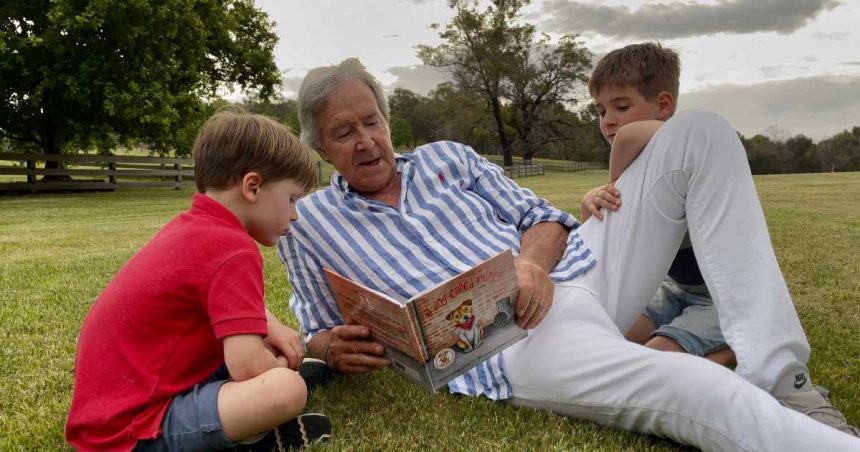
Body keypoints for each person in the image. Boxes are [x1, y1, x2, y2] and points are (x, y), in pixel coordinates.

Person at [278, 57, 860, 450]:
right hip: (510, 345)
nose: (366, 141)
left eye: (372, 122)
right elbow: (319, 329)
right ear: (320, 147)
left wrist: (530, 264)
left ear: (387, 119)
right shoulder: (309, 222)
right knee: (702, 390)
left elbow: (544, 220)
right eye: (344, 132)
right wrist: (327, 347)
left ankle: (780, 372)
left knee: (701, 133)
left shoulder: (446, 158)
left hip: (578, 268)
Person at [66, 110, 332, 451]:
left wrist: (274, 328)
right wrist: (282, 369)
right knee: (285, 389)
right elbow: (248, 367)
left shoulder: (195, 228)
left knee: (255, 343)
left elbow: (226, 306)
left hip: (113, 405)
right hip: (131, 430)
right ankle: (253, 439)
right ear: (253, 187)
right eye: (292, 198)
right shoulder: (233, 248)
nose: (295, 213)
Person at [579, 44, 736, 366]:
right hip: (672, 289)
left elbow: (629, 137)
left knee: (652, 363)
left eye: (621, 107)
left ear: (664, 104)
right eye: (601, 111)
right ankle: (695, 340)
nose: (608, 121)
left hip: (722, 299)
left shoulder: (691, 152)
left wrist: (614, 184)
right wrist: (590, 205)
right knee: (603, 341)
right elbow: (601, 242)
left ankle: (736, 347)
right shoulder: (636, 167)